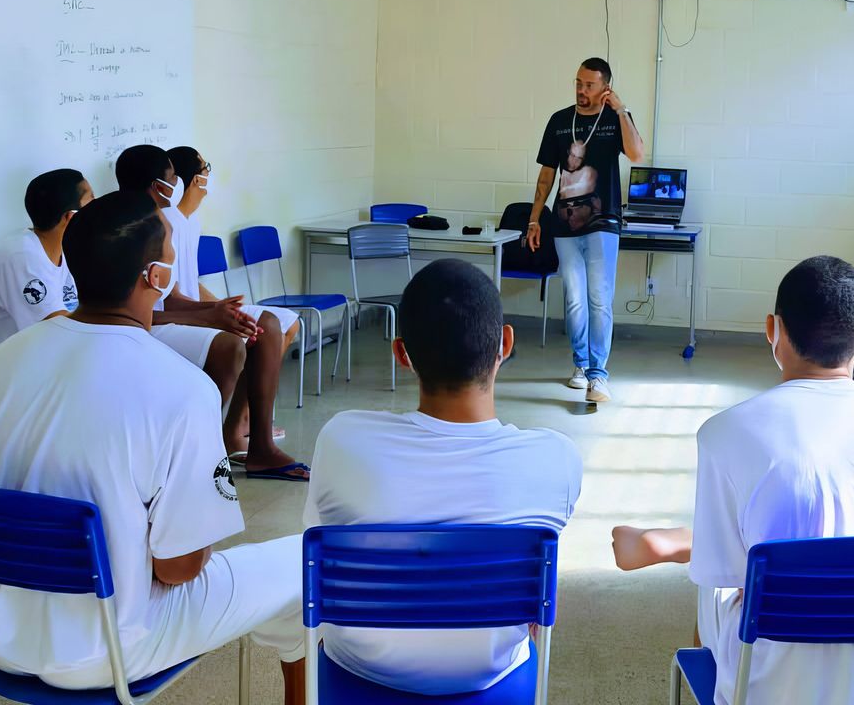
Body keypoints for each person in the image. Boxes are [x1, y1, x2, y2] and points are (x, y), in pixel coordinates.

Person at [0, 190, 305, 698]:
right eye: (168, 256)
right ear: (154, 278)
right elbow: (179, 567)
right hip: (113, 647)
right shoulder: (181, 388)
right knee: (303, 563)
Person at [611, 256, 854, 705]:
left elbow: (730, 575)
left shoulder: (726, 432)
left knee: (714, 581)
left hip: (778, 684)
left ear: (772, 330)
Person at [305, 259, 582, 695]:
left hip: (357, 676)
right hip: (491, 680)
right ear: (504, 344)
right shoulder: (556, 458)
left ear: (401, 355)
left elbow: (316, 560)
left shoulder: (342, 439)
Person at [113, 144, 305, 480]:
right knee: (231, 345)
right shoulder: (132, 229)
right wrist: (208, 316)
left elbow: (171, 298)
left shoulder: (163, 223)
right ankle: (199, 447)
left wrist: (216, 308)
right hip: (140, 329)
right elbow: (137, 316)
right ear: (162, 186)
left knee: (265, 324)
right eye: (175, 177)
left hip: (163, 319)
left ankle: (259, 446)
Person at [165, 145, 302, 450]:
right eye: (205, 168)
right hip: (183, 316)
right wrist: (214, 311)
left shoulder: (190, 222)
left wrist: (223, 305)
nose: (209, 174)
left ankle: (243, 420)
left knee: (289, 323)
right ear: (195, 180)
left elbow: (190, 281)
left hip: (198, 308)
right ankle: (233, 432)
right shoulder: (168, 224)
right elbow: (169, 295)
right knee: (257, 332)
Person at [526, 58, 645, 404]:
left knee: (599, 298)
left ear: (605, 87)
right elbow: (547, 174)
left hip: (603, 219)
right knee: (575, 298)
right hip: (564, 223)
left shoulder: (614, 119)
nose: (581, 90)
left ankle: (599, 375)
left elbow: (637, 153)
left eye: (589, 85)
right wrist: (535, 218)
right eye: (578, 83)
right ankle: (580, 365)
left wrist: (622, 110)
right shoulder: (560, 121)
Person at [0, 168, 91, 375]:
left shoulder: (64, 249)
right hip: (3, 388)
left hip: (37, 370)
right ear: (70, 218)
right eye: (92, 203)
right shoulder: (21, 257)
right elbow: (60, 331)